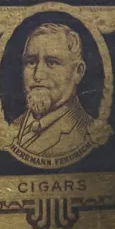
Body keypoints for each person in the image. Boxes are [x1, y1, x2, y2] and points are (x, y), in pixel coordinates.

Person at [12, 23, 93, 163]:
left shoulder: (87, 132)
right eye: (31, 62)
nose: (38, 75)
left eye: (52, 62)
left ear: (78, 72)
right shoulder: (12, 127)